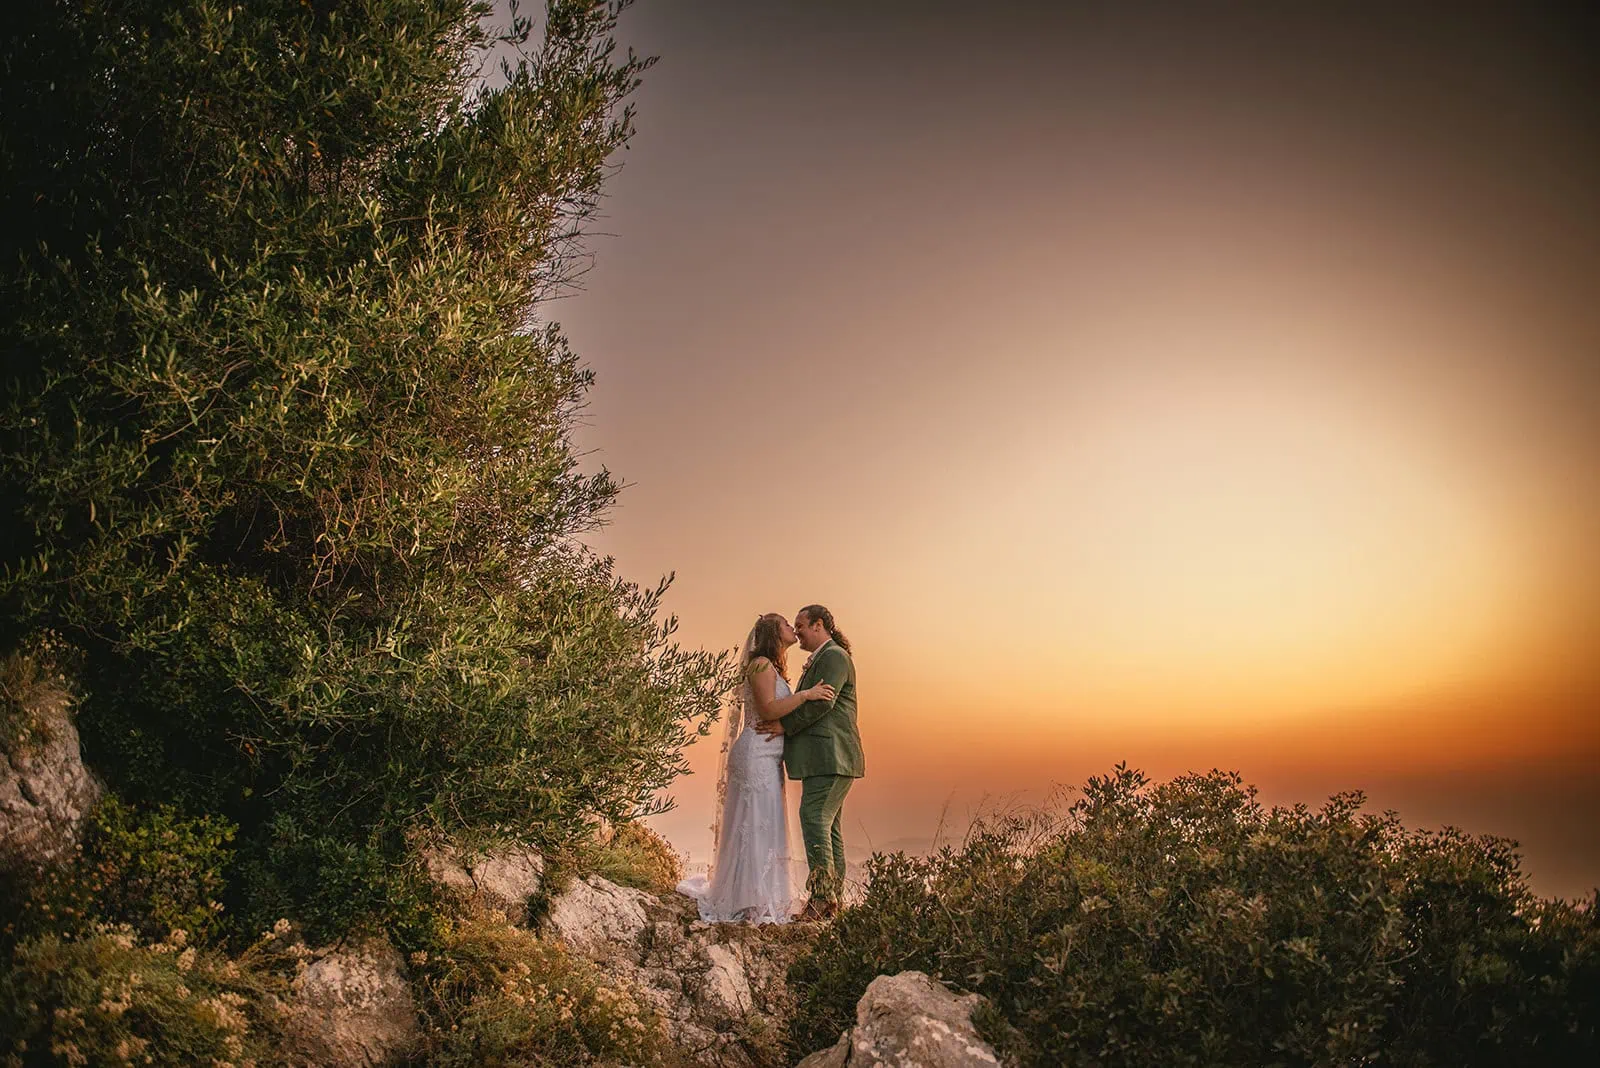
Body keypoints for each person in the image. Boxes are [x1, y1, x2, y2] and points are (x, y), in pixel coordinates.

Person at [677, 612, 836, 923]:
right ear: (774, 634)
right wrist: (806, 695)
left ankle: (757, 896)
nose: (793, 628)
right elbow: (767, 709)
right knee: (754, 824)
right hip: (755, 757)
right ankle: (747, 900)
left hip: (768, 757)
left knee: (764, 824)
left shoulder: (771, 667)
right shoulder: (761, 664)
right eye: (787, 626)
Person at [755, 604, 864, 920]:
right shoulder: (825, 658)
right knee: (828, 827)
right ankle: (831, 902)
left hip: (832, 755)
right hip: (825, 758)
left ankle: (822, 899)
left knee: (813, 817)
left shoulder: (834, 658)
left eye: (801, 625)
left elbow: (824, 704)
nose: (797, 630)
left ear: (818, 625)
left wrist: (784, 726)